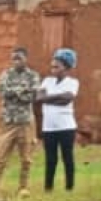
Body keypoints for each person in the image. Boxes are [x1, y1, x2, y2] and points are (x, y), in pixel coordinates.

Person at [0, 47, 40, 201]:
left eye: (19, 58)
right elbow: (1, 92)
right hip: (7, 121)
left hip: (25, 121)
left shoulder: (33, 75)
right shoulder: (5, 75)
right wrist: (21, 91)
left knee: (26, 158)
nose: (16, 61)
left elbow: (33, 95)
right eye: (14, 58)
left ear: (26, 59)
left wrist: (14, 92)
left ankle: (23, 187)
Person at [36, 49, 80, 192]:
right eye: (52, 66)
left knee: (67, 157)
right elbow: (39, 98)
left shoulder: (72, 82)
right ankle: (48, 187)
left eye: (57, 66)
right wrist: (56, 98)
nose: (53, 69)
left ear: (66, 68)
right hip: (49, 127)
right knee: (50, 159)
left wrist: (48, 99)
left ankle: (69, 186)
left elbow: (67, 99)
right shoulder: (47, 81)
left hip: (66, 127)